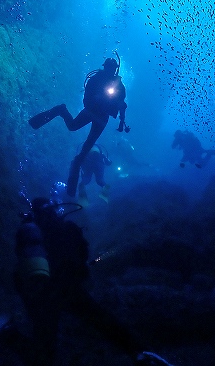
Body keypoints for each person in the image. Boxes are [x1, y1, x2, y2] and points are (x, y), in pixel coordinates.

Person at [12, 197, 173, 366]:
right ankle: (140, 352)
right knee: (103, 321)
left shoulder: (30, 233)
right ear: (54, 208)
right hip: (71, 289)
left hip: (44, 292)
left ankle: (18, 342)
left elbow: (20, 267)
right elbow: (82, 254)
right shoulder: (67, 227)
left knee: (45, 339)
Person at [29, 56, 129, 197]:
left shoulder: (119, 86)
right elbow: (87, 95)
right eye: (107, 68)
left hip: (102, 118)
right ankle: (61, 110)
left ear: (115, 69)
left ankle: (74, 180)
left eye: (111, 68)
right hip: (91, 112)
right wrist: (95, 101)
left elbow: (122, 105)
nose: (109, 70)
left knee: (86, 148)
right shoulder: (96, 79)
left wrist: (121, 121)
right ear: (105, 67)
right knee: (72, 127)